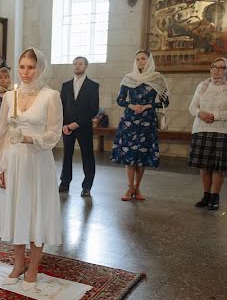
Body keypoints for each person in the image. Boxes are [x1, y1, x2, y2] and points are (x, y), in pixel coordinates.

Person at [0, 48, 62, 291]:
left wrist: (32, 140)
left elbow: (54, 133)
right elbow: (1, 134)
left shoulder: (50, 96)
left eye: (31, 67)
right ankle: (18, 264)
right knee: (17, 212)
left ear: (40, 68)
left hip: (37, 162)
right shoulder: (10, 97)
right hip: (13, 161)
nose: (26, 72)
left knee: (36, 212)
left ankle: (33, 268)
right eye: (22, 66)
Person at [112, 50, 169, 201]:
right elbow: (120, 100)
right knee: (130, 155)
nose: (140, 62)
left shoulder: (158, 78)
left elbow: (165, 101)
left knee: (142, 156)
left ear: (149, 61)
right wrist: (131, 105)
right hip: (130, 120)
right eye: (137, 59)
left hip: (147, 121)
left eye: (143, 59)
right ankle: (130, 188)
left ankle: (137, 188)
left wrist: (147, 106)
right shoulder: (129, 78)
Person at [188, 57, 227, 210]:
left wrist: (215, 116)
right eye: (214, 67)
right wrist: (200, 113)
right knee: (204, 166)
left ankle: (215, 197)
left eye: (221, 68)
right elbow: (192, 107)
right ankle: (206, 195)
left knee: (218, 167)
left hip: (222, 130)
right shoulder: (203, 85)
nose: (217, 70)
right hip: (201, 128)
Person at [59, 56, 100, 197]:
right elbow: (61, 106)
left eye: (80, 64)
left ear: (86, 66)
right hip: (67, 127)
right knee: (66, 156)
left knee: (87, 156)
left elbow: (94, 109)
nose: (77, 66)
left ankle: (87, 185)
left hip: (84, 127)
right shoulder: (65, 85)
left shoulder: (93, 86)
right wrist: (64, 124)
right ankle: (65, 182)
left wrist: (76, 123)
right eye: (75, 64)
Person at [0, 66, 12, 190]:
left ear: (9, 78)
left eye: (5, 77)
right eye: (0, 77)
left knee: (7, 153)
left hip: (8, 127)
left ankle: (7, 175)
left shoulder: (12, 94)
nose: (2, 80)